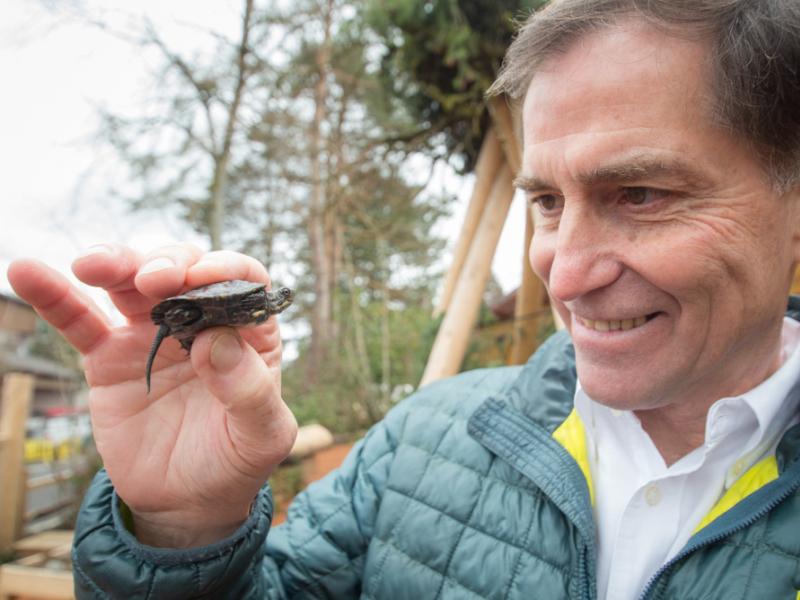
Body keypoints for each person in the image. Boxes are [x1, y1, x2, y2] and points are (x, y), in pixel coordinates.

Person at [9, 0, 800, 597]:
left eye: (641, 193)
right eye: (548, 204)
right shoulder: (419, 442)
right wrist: (182, 532)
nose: (561, 276)